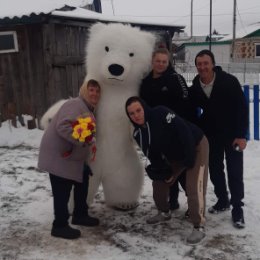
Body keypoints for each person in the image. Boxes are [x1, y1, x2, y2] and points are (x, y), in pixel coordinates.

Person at [125, 96, 209, 245]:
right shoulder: (138, 134)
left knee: (193, 186)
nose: (136, 115)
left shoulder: (161, 113)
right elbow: (154, 156)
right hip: (176, 155)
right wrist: (163, 171)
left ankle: (199, 226)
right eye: (131, 113)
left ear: (144, 107)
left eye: (138, 110)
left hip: (195, 145)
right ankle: (164, 212)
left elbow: (183, 130)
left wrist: (189, 159)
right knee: (159, 183)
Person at [189, 49, 248, 229]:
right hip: (211, 135)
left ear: (213, 64)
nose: (202, 67)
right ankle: (223, 199)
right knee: (215, 169)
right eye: (199, 64)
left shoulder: (229, 81)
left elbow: (242, 108)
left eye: (206, 63)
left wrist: (241, 135)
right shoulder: (196, 87)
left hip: (232, 134)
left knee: (235, 172)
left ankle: (237, 208)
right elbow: (191, 110)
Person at [38, 79, 101, 239]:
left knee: (83, 179)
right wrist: (83, 140)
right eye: (91, 90)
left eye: (97, 91)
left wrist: (88, 141)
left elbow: (82, 129)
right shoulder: (75, 104)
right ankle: (59, 226)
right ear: (84, 91)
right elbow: (63, 126)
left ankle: (80, 214)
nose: (94, 93)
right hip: (60, 156)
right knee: (62, 191)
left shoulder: (87, 108)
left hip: (72, 156)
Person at [140, 48, 197, 211]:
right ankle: (172, 200)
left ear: (168, 62)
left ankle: (192, 205)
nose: (161, 64)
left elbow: (188, 103)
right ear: (152, 61)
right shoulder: (146, 82)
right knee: (166, 168)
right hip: (158, 133)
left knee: (182, 170)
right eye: (158, 61)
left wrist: (185, 127)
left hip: (177, 131)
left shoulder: (175, 78)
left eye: (164, 61)